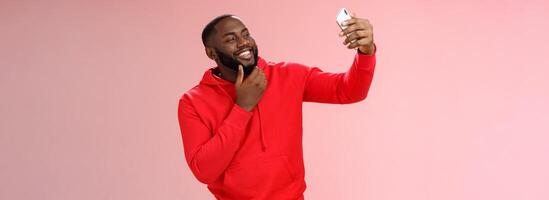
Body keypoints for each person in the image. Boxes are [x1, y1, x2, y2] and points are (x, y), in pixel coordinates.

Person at [178, 13, 376, 199]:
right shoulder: (193, 102)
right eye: (231, 39)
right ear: (211, 52)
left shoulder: (288, 75)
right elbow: (204, 171)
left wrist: (366, 51)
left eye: (246, 34)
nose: (243, 43)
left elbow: (349, 91)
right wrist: (242, 107)